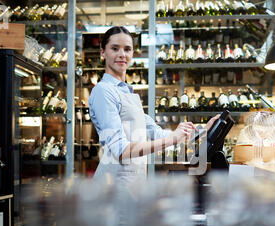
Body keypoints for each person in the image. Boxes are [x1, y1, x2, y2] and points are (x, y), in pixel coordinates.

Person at [89, 26, 219, 185]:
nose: (122, 54)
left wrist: (203, 130)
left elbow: (157, 133)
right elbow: (121, 150)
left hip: (132, 183)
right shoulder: (103, 91)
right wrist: (172, 139)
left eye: (127, 49)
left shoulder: (127, 92)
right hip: (112, 185)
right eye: (115, 48)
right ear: (103, 52)